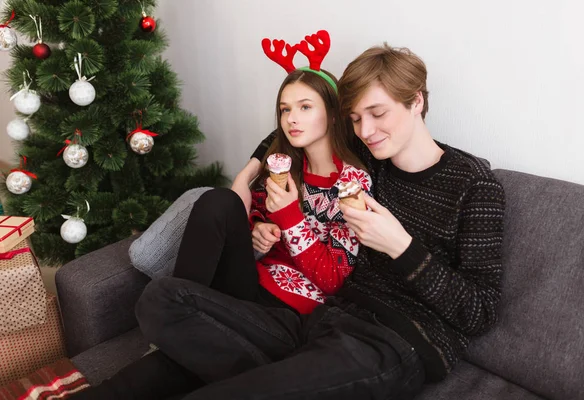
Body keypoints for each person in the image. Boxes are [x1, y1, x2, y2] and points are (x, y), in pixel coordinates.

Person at [120, 44, 506, 399]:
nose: (366, 130)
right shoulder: (371, 155)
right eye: (355, 118)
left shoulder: (474, 185)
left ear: (416, 101)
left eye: (377, 113)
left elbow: (480, 312)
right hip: (321, 321)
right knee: (161, 298)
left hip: (392, 344)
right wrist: (247, 174)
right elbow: (292, 127)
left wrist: (401, 247)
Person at [72, 30, 372, 399]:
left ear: (333, 111)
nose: (292, 118)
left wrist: (291, 218)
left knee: (166, 368)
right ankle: (178, 320)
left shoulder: (352, 182)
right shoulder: (284, 164)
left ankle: (172, 332)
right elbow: (245, 221)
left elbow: (333, 279)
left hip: (288, 315)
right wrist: (258, 224)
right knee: (221, 202)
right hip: (247, 288)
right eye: (285, 109)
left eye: (305, 107)